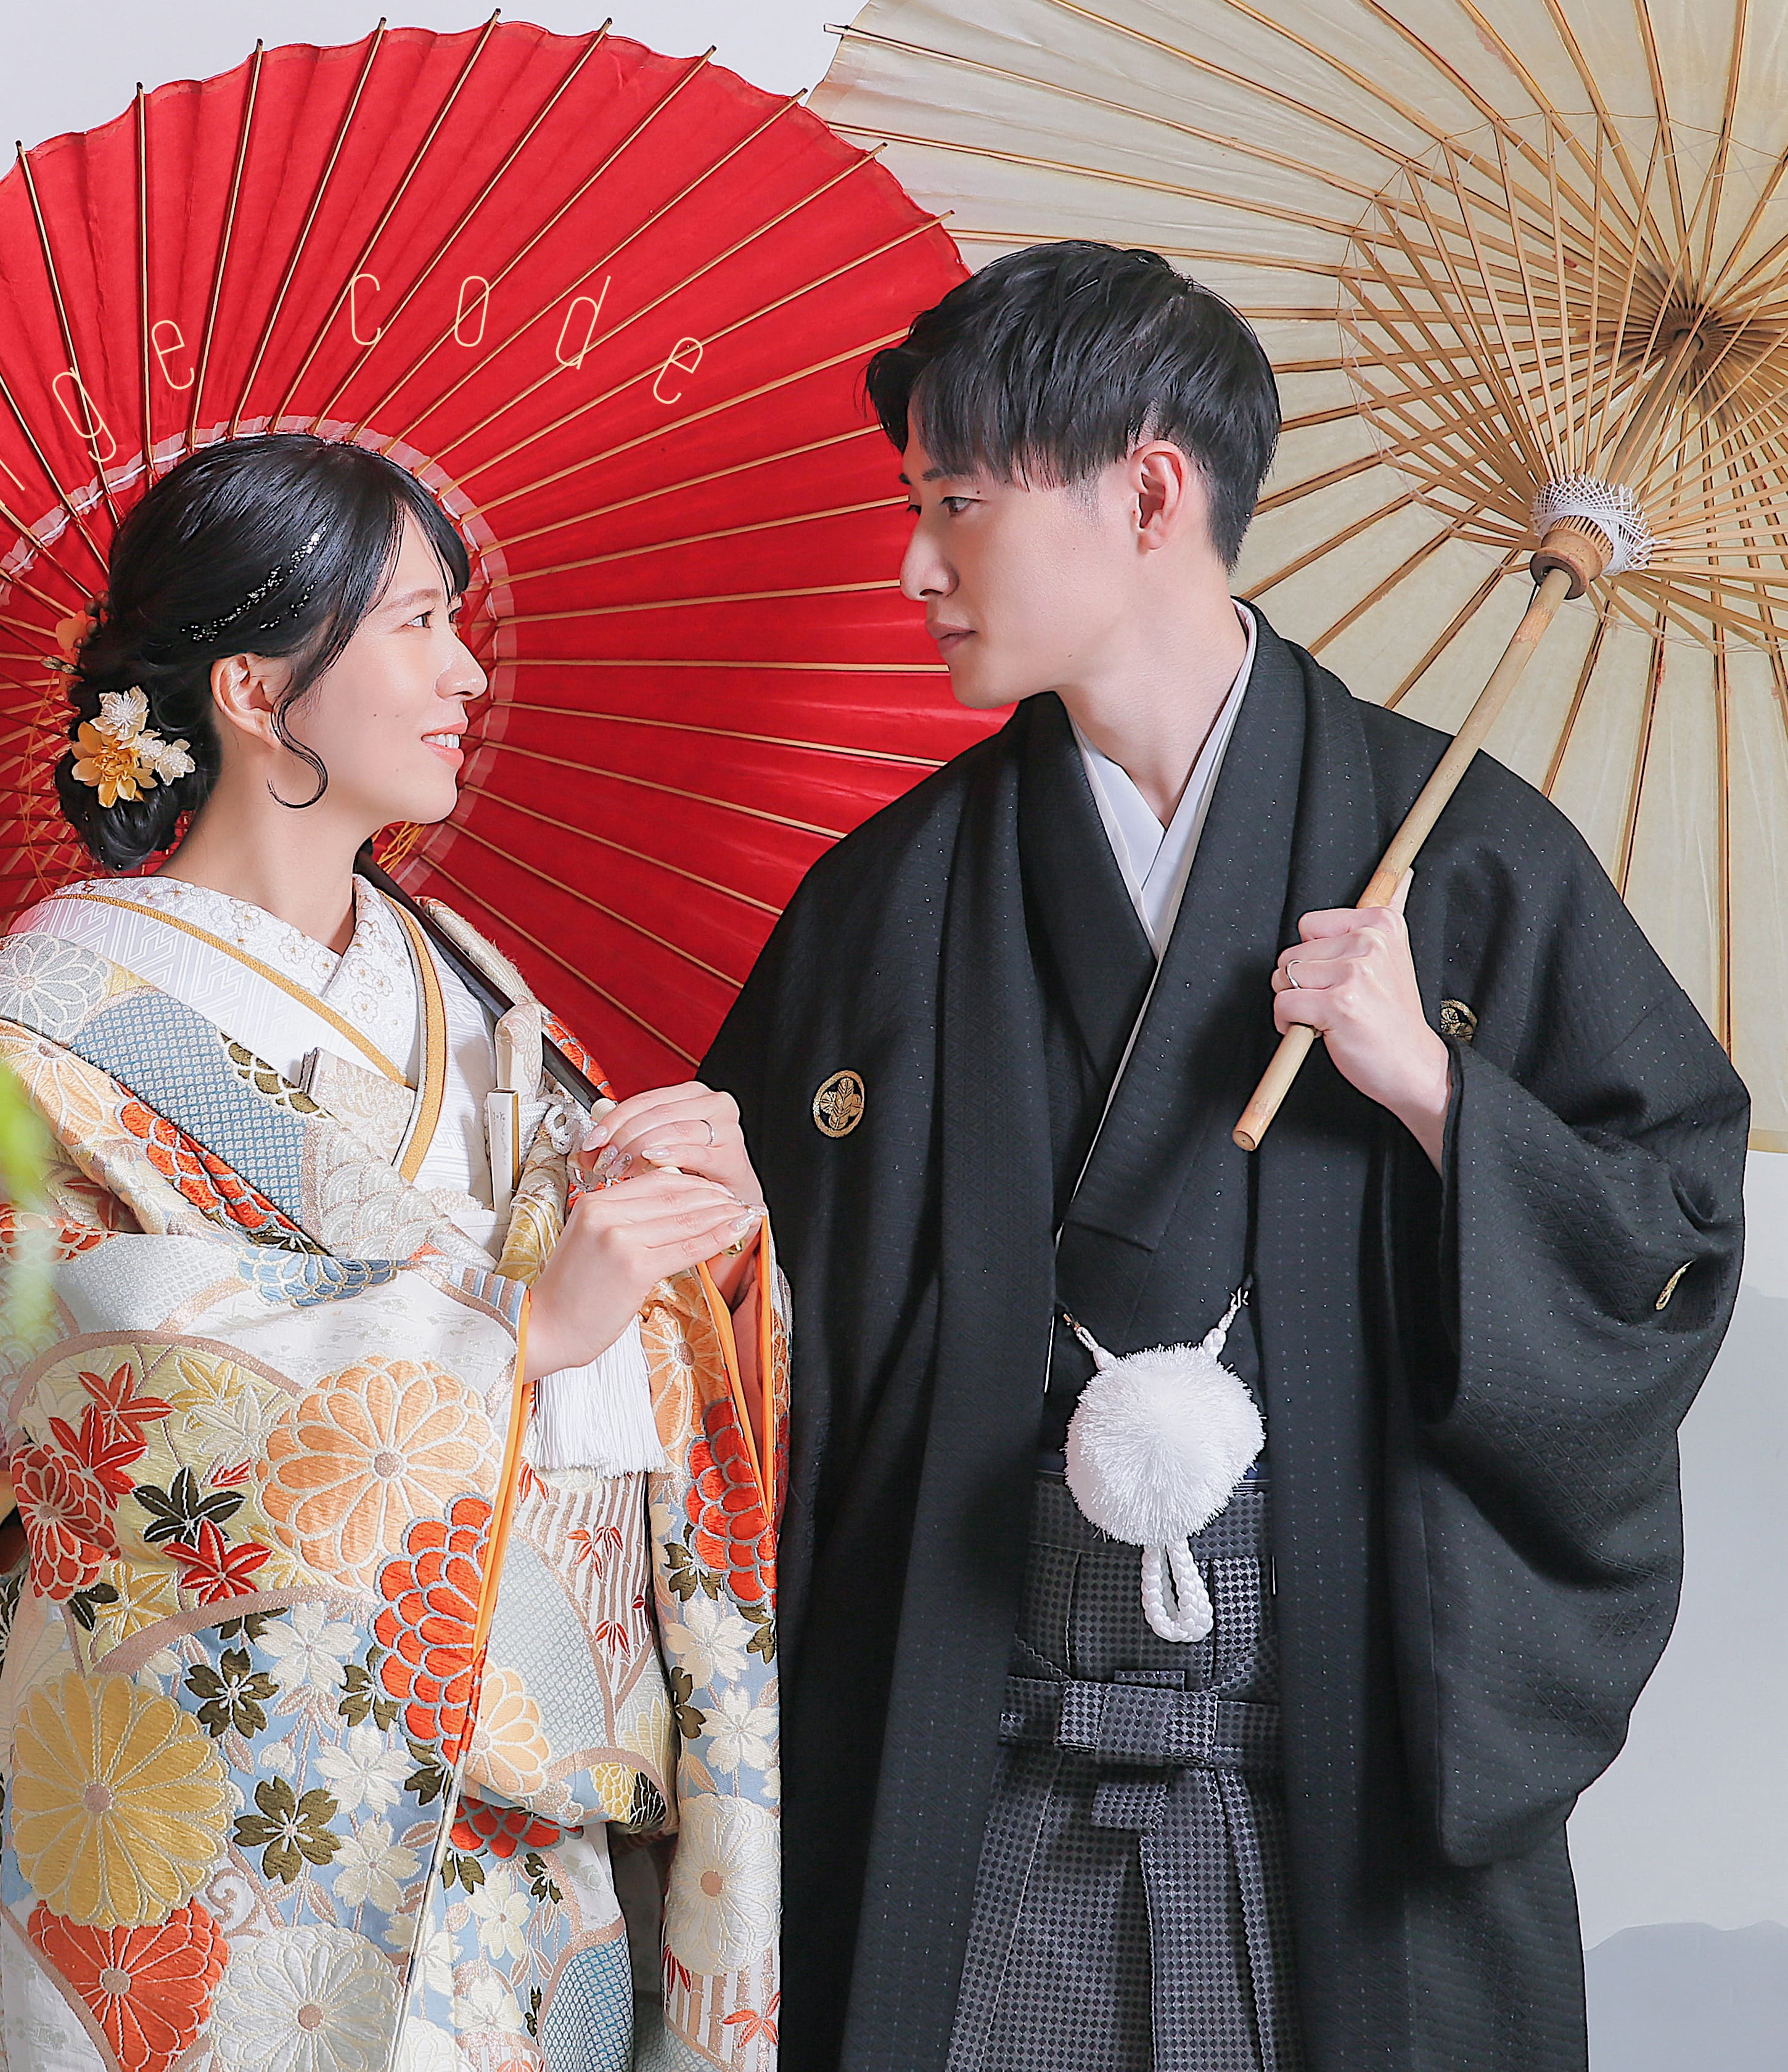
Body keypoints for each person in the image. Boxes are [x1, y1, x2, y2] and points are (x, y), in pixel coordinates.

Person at [698, 244, 1747, 2072]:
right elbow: (754, 1357)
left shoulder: (1461, 857)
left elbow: (1670, 1236)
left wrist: (1437, 1093)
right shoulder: (887, 901)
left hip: (1332, 1774)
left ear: (1149, 494)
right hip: (978, 1764)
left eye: (957, 504)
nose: (916, 565)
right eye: (914, 507)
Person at [0, 433, 785, 2072]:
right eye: (418, 623)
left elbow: (629, 1346)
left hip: (519, 1817)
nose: (467, 673)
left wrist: (699, 1244)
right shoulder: (54, 1018)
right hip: (229, 1826)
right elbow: (95, 1389)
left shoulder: (475, 990)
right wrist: (514, 1335)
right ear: (255, 691)